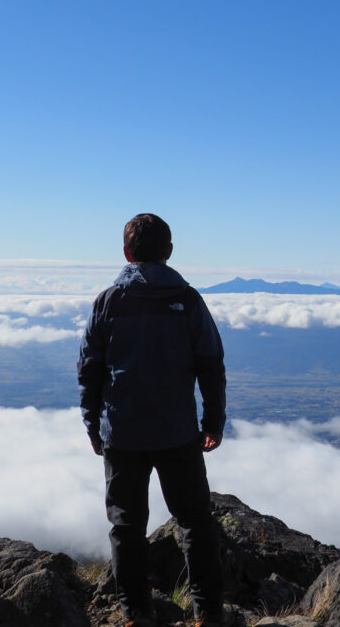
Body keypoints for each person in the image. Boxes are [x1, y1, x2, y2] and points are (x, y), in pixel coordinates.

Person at [78, 213, 226, 627]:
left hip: (121, 434)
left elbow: (89, 368)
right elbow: (211, 363)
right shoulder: (189, 300)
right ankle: (208, 615)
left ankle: (136, 615)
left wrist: (93, 425)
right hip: (177, 432)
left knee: (127, 528)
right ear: (170, 252)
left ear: (126, 253)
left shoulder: (108, 302)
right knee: (196, 522)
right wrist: (213, 421)